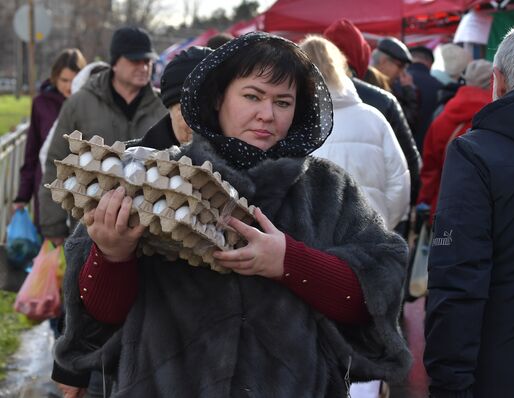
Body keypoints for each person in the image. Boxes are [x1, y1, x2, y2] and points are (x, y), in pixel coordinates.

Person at [53, 32, 411, 397]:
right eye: (252, 96)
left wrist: (290, 262)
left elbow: (377, 290)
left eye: (283, 102)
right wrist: (111, 257)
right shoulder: (155, 179)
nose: (267, 114)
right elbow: (102, 317)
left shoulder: (326, 190)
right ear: (218, 97)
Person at [424, 23, 514, 397]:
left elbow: (457, 280)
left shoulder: (475, 153)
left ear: (498, 81)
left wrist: (448, 385)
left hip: (509, 370)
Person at [38, 26, 167, 246]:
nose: (144, 67)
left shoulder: (163, 107)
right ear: (115, 62)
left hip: (150, 235)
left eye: (148, 61)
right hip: (88, 229)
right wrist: (53, 224)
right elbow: (55, 162)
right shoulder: (80, 103)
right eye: (135, 60)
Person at [300, 35, 410, 231]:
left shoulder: (293, 123)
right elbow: (399, 184)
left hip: (312, 245)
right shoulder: (373, 118)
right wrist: (382, 227)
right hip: (370, 239)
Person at [323, 19, 421, 205]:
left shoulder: (299, 94)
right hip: (373, 219)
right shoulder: (382, 100)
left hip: (314, 221)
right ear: (360, 55)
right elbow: (408, 166)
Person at [12, 48, 86, 231]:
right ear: (54, 77)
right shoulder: (41, 103)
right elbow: (32, 151)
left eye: (74, 80)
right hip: (47, 185)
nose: (69, 86)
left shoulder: (90, 104)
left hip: (82, 188)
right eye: (64, 80)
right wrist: (22, 196)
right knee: (51, 251)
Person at [416, 59, 493, 223]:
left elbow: (431, 169)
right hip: (489, 211)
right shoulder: (500, 117)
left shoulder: (443, 117)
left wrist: (425, 201)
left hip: (446, 207)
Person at [134, 46, 213, 149]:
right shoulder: (132, 160)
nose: (198, 123)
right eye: (186, 111)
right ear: (170, 110)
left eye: (210, 109)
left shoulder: (238, 160)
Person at [370, 37, 419, 130]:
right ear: (383, 60)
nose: (401, 73)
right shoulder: (379, 89)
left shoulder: (390, 87)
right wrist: (409, 91)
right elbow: (405, 124)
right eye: (400, 66)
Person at [407, 46, 443, 151]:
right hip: (427, 149)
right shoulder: (439, 86)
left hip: (399, 148)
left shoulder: (395, 81)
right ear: (430, 63)